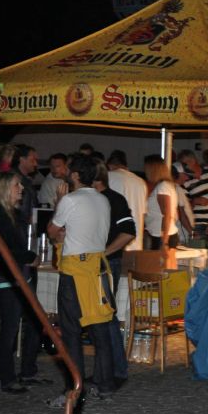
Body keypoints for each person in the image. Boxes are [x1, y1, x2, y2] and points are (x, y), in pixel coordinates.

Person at [47, 155, 115, 405]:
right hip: (97, 269)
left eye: (69, 170)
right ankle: (105, 385)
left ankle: (73, 389)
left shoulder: (70, 200)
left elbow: (52, 230)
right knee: (100, 329)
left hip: (75, 270)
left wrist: (59, 202)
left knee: (71, 333)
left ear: (75, 175)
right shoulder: (103, 199)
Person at [0, 172, 48, 394]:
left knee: (35, 322)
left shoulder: (13, 214)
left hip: (21, 276)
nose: (21, 188)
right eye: (16, 185)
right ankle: (7, 378)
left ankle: (28, 371)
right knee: (11, 328)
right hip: (8, 279)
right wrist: (29, 257)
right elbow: (5, 249)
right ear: (5, 189)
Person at [93, 159, 135, 387]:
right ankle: (104, 370)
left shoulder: (114, 199)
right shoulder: (88, 199)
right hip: (95, 263)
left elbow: (129, 232)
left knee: (106, 316)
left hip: (107, 264)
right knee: (97, 317)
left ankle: (117, 370)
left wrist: (103, 254)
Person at [107, 150, 147, 253]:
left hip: (115, 244)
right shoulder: (141, 182)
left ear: (110, 165)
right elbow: (143, 213)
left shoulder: (107, 178)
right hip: (136, 242)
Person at [178, 149, 208, 240]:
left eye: (185, 164)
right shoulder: (186, 181)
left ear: (193, 161)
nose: (183, 168)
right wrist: (194, 201)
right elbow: (184, 209)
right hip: (199, 225)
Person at [144, 155, 179, 251]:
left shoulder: (163, 187)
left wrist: (164, 242)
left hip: (161, 236)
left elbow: (167, 214)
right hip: (159, 234)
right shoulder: (164, 186)